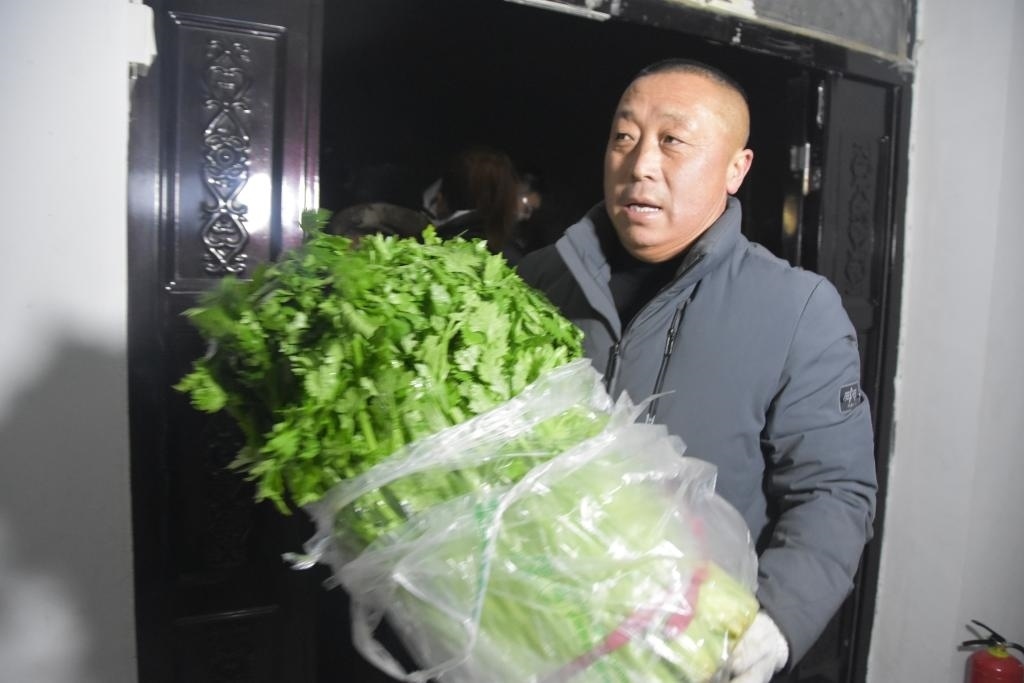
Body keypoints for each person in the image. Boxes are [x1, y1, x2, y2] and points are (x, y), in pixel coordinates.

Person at [516, 58, 877, 683]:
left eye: (673, 141)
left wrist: (777, 620)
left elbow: (834, 491)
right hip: (534, 635)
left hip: (687, 652)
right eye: (624, 137)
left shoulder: (796, 309)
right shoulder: (539, 281)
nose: (640, 164)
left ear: (736, 168)